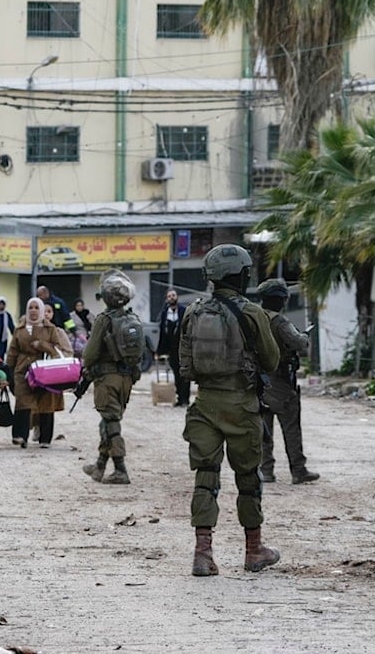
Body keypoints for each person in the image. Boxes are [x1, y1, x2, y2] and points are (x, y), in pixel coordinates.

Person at [178, 244, 280, 577]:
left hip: (204, 403)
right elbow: (272, 360)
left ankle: (203, 554)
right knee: (249, 479)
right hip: (241, 405)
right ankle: (253, 551)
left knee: (205, 478)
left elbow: (184, 366)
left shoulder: (193, 311)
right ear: (241, 274)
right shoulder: (252, 312)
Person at [81, 271, 143, 485]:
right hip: (126, 379)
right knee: (108, 421)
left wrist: (86, 368)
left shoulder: (104, 320)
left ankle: (120, 469)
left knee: (111, 423)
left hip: (107, 379)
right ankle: (99, 465)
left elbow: (89, 354)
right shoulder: (132, 317)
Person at [257, 278, 319, 485]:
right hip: (281, 381)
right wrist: (303, 336)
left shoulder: (254, 319)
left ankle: (266, 471)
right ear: (282, 300)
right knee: (291, 427)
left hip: (258, 381)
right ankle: (298, 470)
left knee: (263, 430)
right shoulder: (280, 322)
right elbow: (298, 342)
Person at [6, 299, 72, 448]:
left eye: (36, 308)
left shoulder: (50, 329)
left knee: (45, 403)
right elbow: (13, 351)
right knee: (22, 401)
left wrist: (43, 345)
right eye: (31, 307)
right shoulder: (20, 329)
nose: (33, 311)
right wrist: (8, 369)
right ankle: (20, 436)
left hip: (45, 370)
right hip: (23, 370)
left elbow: (57, 349)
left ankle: (45, 438)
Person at [156, 288, 190, 407]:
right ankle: (180, 398)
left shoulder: (183, 311)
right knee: (176, 373)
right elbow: (162, 333)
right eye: (169, 296)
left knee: (185, 374)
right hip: (172, 349)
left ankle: (185, 399)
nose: (172, 297)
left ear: (177, 297)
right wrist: (160, 351)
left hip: (183, 348)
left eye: (173, 295)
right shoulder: (165, 313)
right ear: (167, 299)